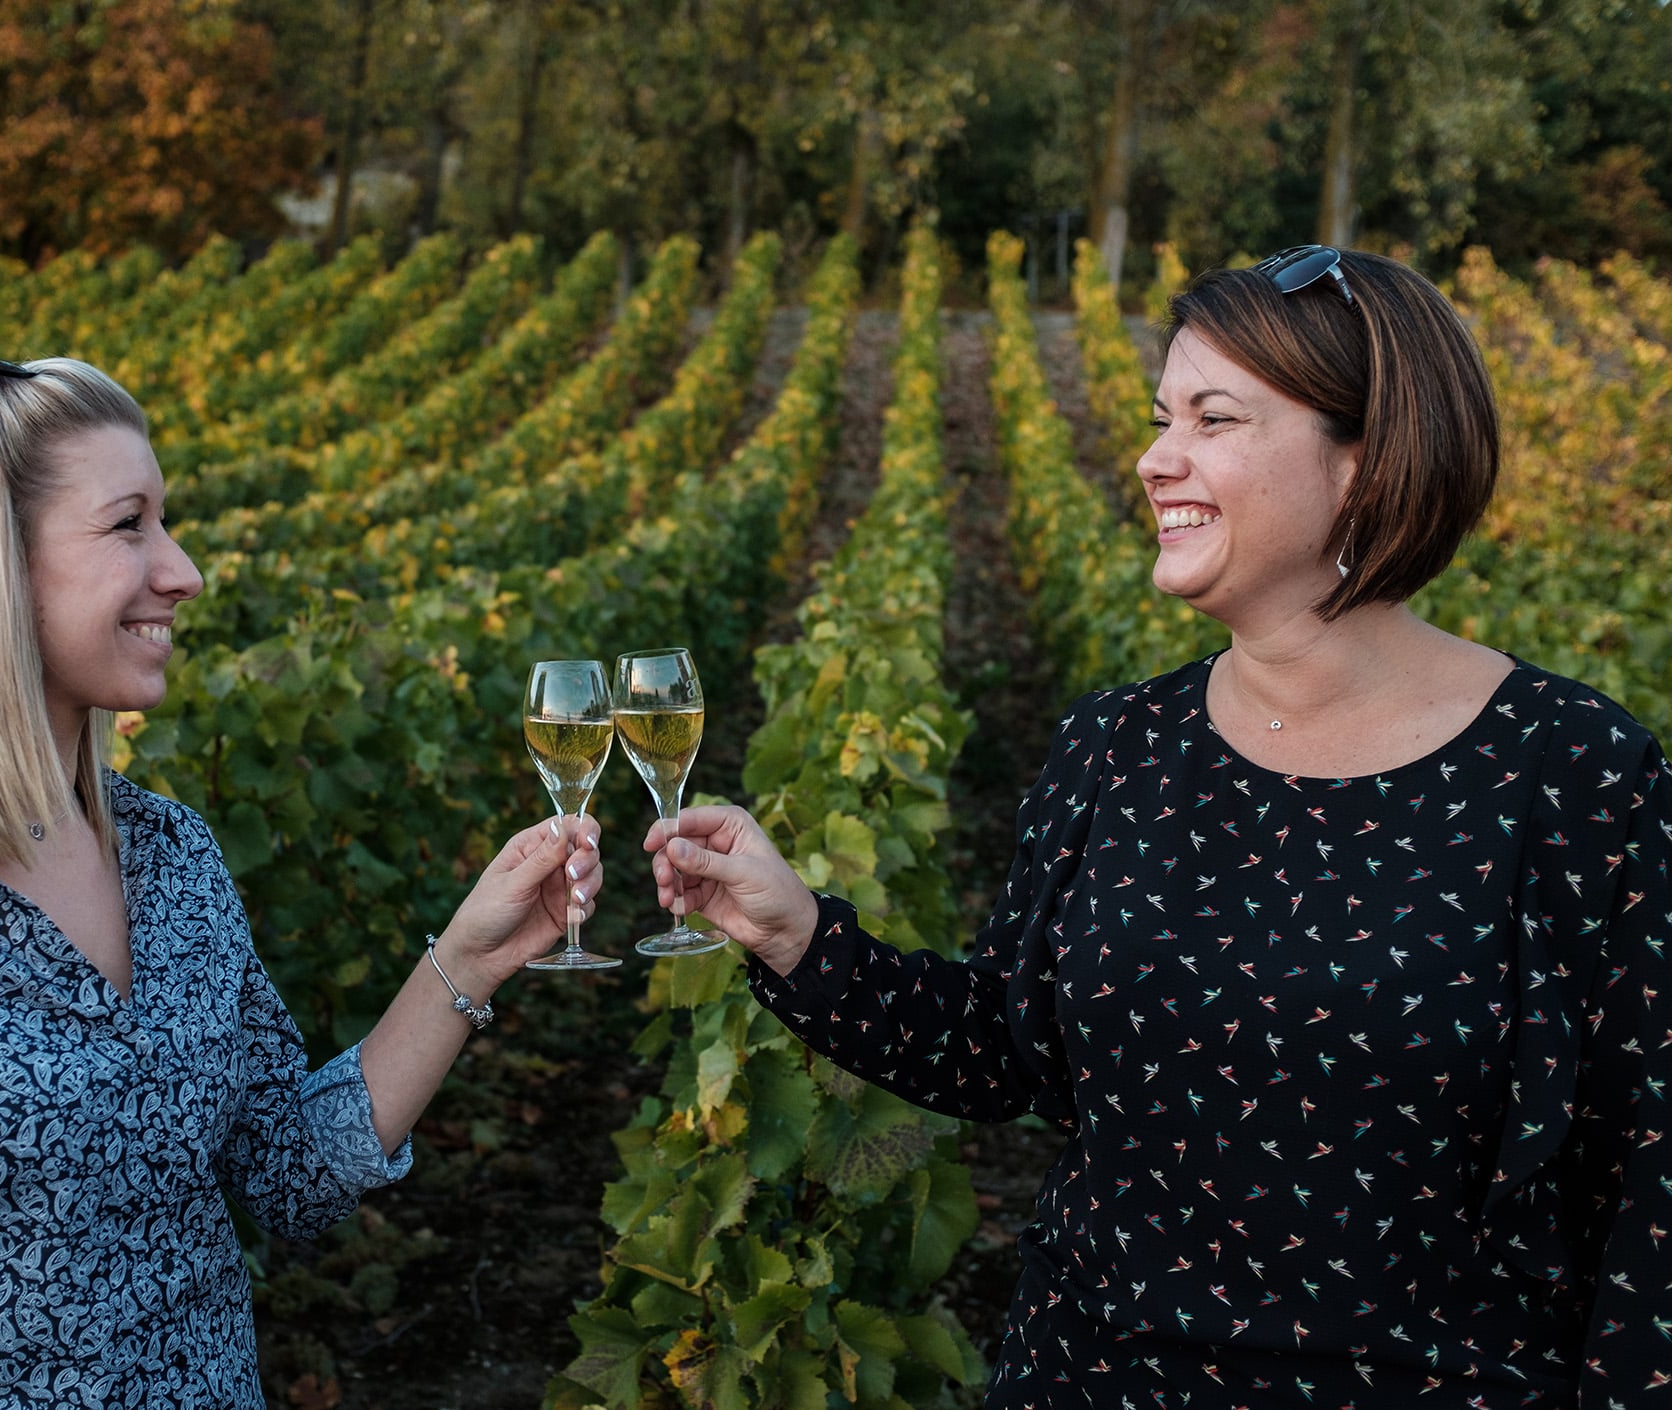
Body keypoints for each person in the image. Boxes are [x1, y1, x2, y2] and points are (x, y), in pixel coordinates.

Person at [645, 246, 1671, 1406]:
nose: (1153, 459)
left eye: (1212, 419)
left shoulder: (1572, 773)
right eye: (1156, 416)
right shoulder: (1117, 745)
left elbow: (1647, 1186)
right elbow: (1003, 1048)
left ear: (1366, 462)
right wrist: (798, 941)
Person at [0, 353, 603, 1407]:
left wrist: (469, 956)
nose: (183, 570)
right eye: (130, 525)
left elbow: (285, 1169)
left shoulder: (172, 857)